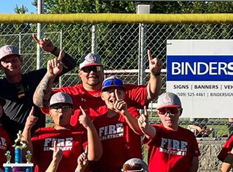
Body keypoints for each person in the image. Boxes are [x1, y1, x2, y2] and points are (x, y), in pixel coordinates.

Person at [32, 51, 163, 129]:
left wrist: (155, 74)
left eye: (96, 68)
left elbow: (150, 93)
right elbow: (40, 102)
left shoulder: (117, 90)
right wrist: (50, 75)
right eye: (87, 69)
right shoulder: (70, 94)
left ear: (103, 70)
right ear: (79, 73)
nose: (92, 73)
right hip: (83, 156)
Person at [0, 35, 77, 142]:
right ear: (0, 66)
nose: (11, 64)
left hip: (36, 137)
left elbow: (71, 64)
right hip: (9, 138)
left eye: (14, 60)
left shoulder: (35, 77)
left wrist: (53, 49)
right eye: (6, 61)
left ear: (21, 60)